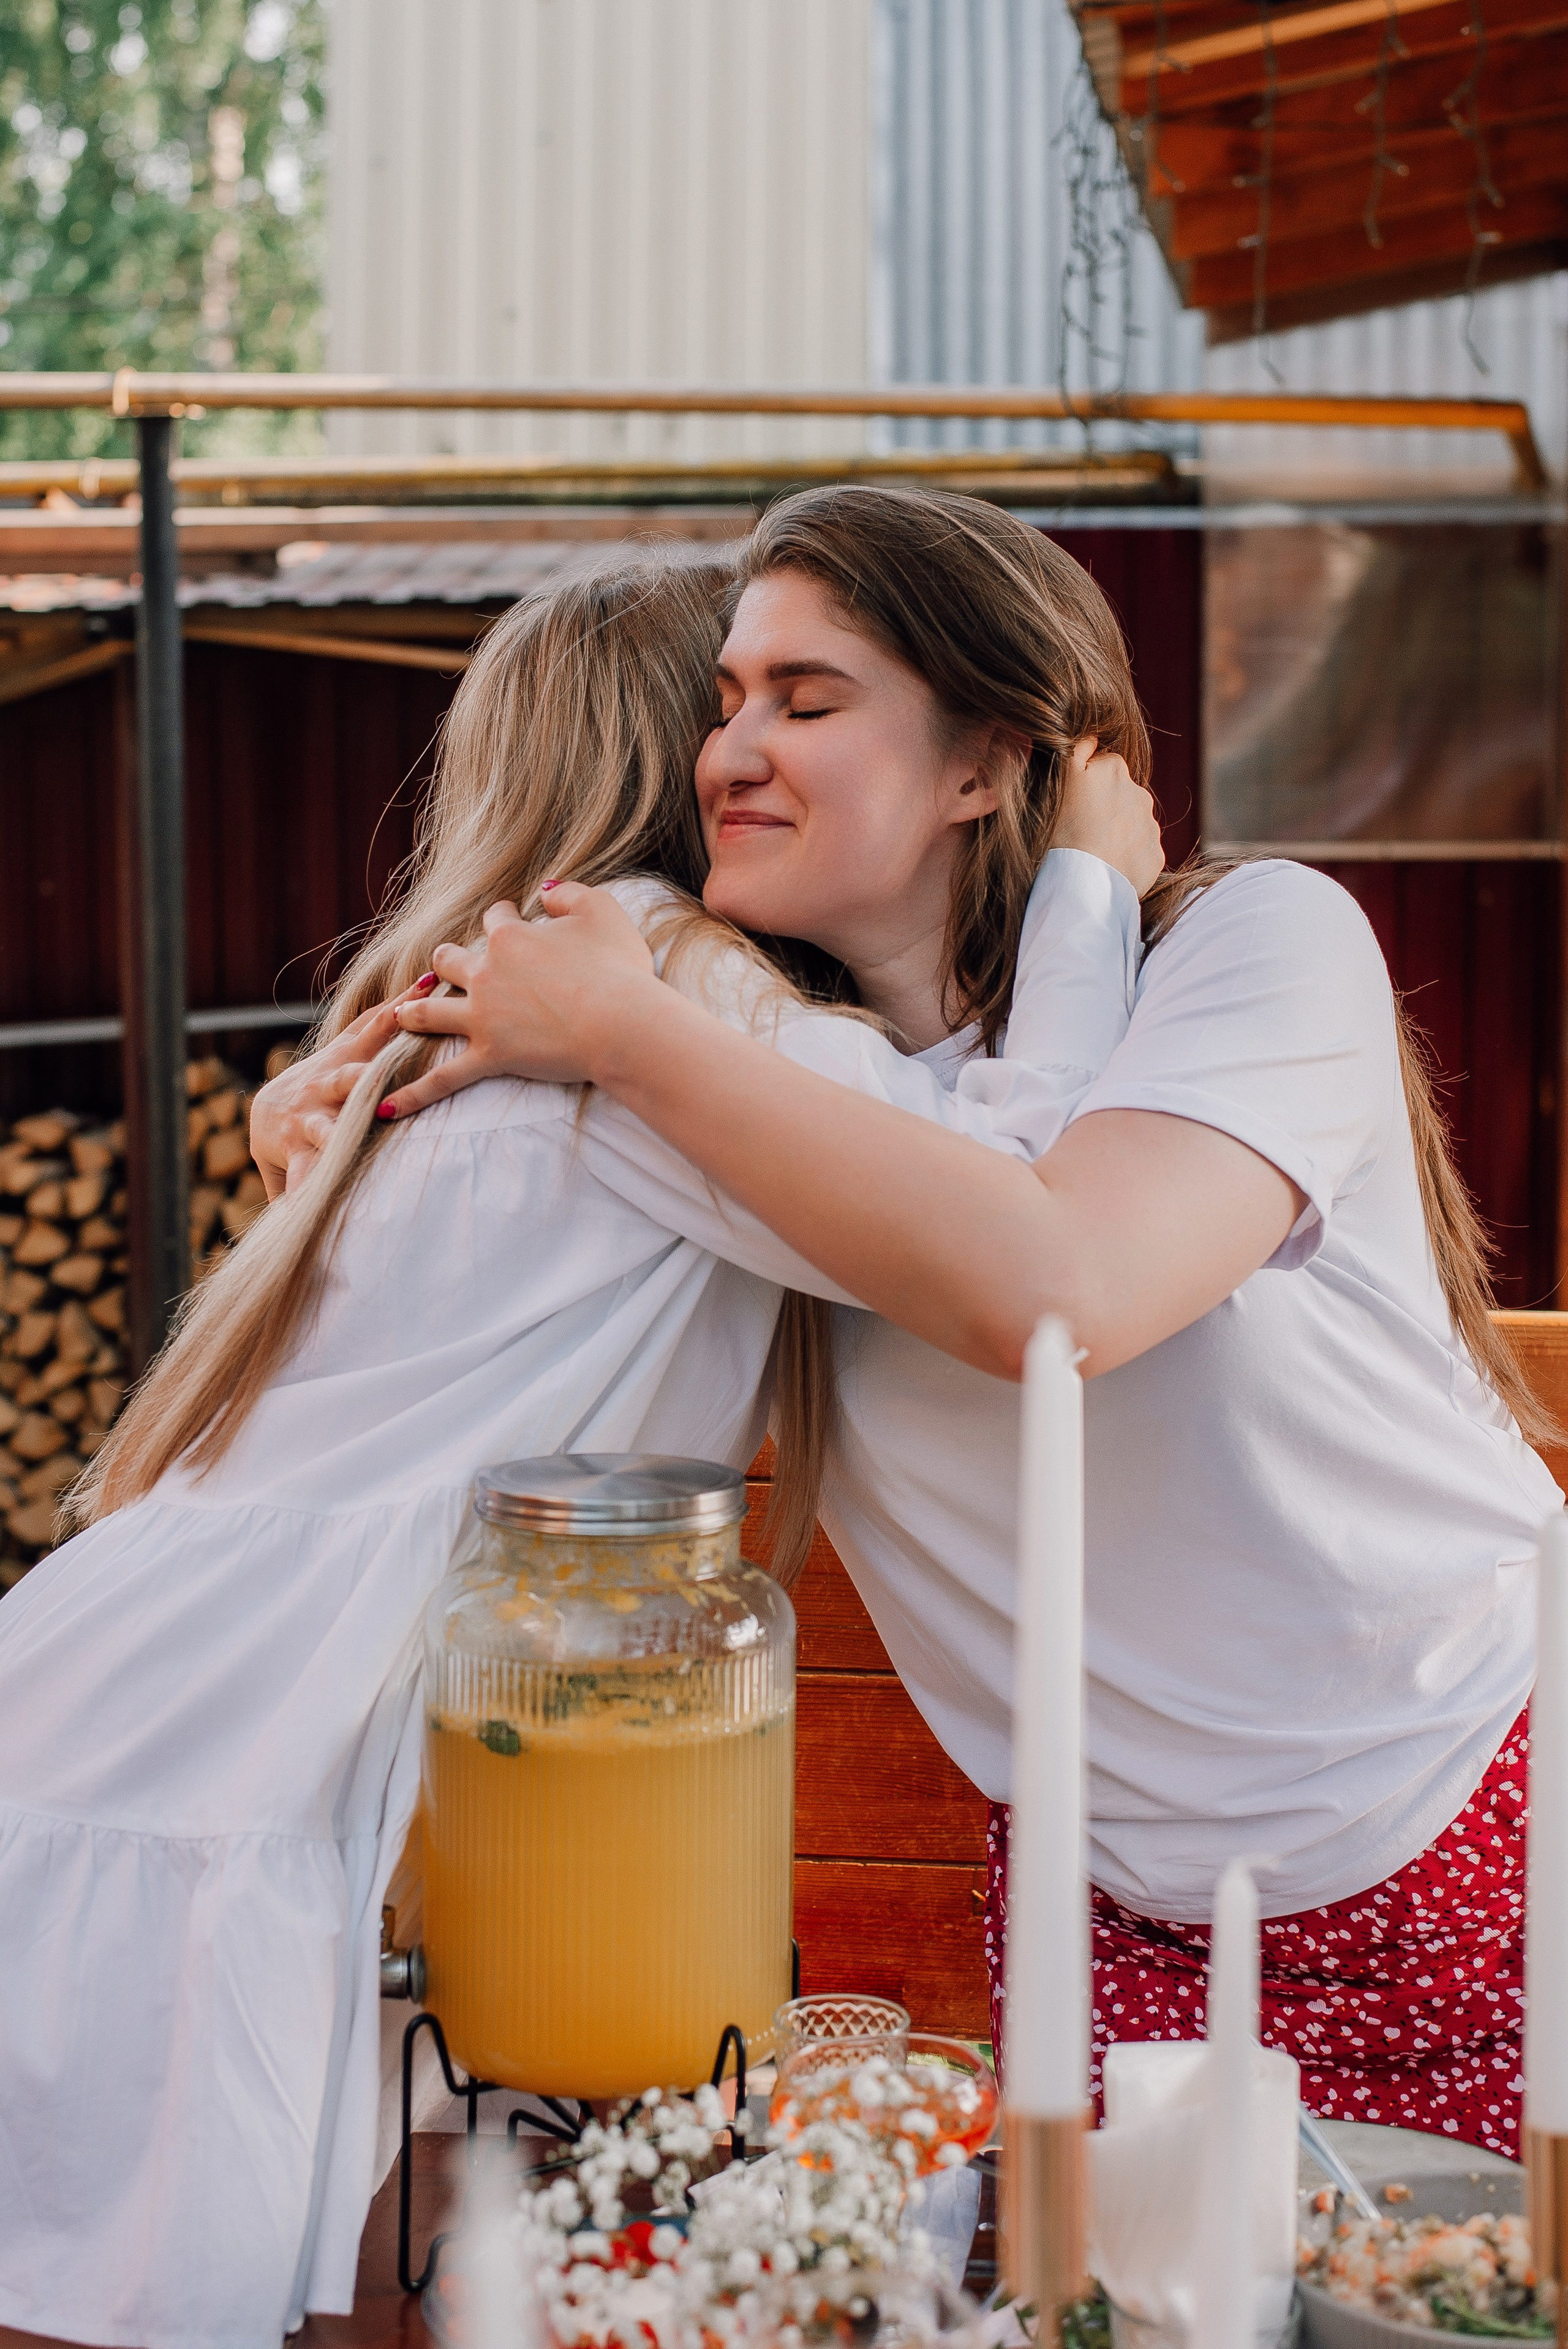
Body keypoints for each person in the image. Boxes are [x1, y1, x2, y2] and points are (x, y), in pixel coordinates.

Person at [366, 484, 1561, 2159]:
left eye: (806, 701)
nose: (731, 752)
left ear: (988, 765)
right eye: (725, 701)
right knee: (1128, 2292)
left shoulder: (1252, 943)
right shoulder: (762, 1086)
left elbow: (1063, 1288)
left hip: (1491, 1831)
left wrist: (630, 1033)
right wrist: (334, 1113)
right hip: (1118, 1909)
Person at [0, 549, 1103, 2349]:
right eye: (732, 705)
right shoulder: (675, 1023)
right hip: (237, 1752)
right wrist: (1088, 892)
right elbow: (1023, 1191)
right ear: (680, 753)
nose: (756, 749)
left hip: (138, 1692)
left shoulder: (448, 1026)